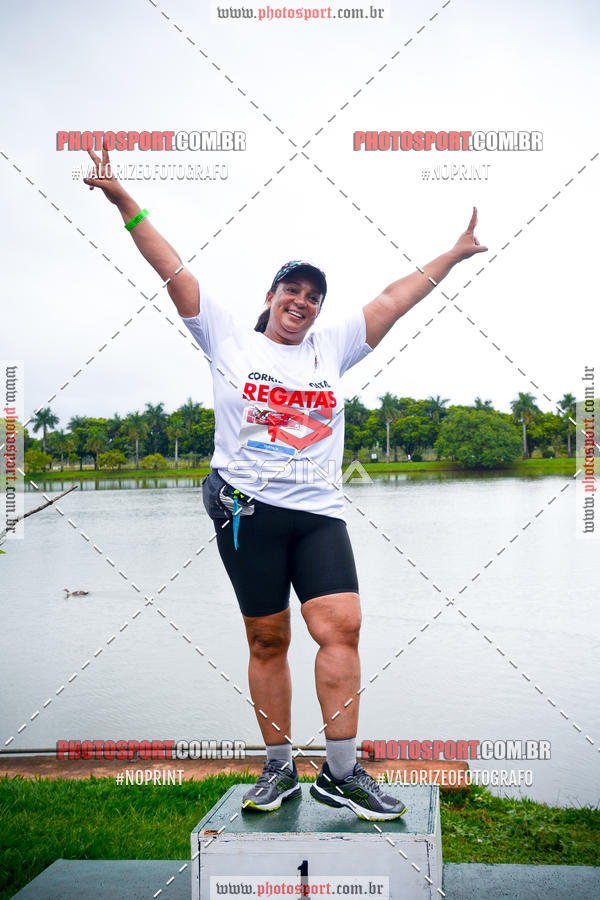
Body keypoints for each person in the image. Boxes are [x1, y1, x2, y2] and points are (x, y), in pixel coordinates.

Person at [83, 140, 487, 821]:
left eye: (313, 296)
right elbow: (171, 266)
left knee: (344, 627)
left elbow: (394, 297)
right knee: (268, 639)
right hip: (246, 509)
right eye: (292, 290)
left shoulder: (334, 347)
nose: (303, 301)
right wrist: (124, 200)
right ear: (270, 298)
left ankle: (341, 772)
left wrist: (450, 255)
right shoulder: (228, 339)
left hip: (319, 510)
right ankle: (277, 769)